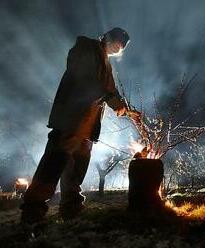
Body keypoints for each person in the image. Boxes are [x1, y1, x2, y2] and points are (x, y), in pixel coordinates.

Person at [21, 27, 140, 223]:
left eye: (122, 45)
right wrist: (111, 98)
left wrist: (126, 109)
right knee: (54, 162)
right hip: (71, 118)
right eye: (118, 42)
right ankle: (33, 210)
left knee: (76, 169)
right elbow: (84, 78)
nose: (120, 47)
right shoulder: (85, 47)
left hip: (88, 125)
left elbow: (110, 91)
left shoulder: (106, 64)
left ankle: (71, 209)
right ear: (108, 37)